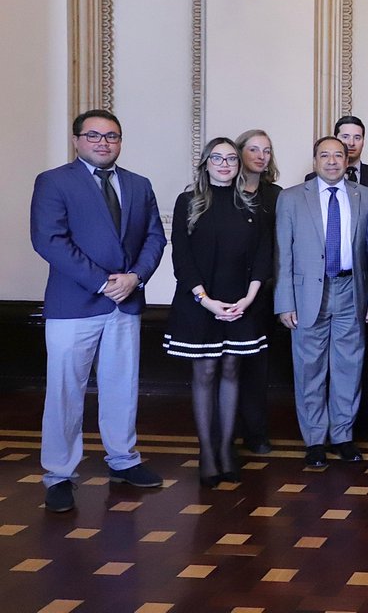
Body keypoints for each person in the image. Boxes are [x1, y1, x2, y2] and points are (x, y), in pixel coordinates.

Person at [31, 109, 167, 513]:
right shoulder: (54, 181)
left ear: (121, 141)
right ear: (76, 140)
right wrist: (103, 281)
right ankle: (59, 474)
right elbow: (49, 240)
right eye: (93, 135)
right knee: (65, 393)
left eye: (111, 136)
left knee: (122, 387)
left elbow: (156, 237)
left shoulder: (138, 185)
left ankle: (124, 460)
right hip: (74, 304)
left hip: (125, 303)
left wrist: (135, 277)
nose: (103, 142)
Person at [163, 138, 271, 486]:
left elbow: (263, 256)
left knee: (231, 368)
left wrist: (249, 298)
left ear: (239, 164)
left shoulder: (252, 205)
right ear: (205, 163)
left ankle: (226, 449)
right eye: (217, 158)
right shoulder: (188, 202)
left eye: (230, 158)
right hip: (200, 303)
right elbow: (182, 257)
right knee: (206, 371)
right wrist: (206, 300)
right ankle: (207, 452)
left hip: (242, 304)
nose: (224, 164)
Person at [276, 137, 368, 468]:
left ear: (348, 160)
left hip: (352, 289)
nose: (333, 161)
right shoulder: (291, 198)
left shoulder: (366, 197)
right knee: (309, 369)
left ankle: (343, 436)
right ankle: (315, 440)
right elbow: (283, 254)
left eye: (339, 155)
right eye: (325, 155)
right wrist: (284, 301)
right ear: (315, 160)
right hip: (308, 295)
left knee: (349, 366)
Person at [234, 128, 282, 455]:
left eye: (266, 150)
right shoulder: (220, 192)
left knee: (257, 367)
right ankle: (225, 432)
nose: (261, 156)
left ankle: (255, 431)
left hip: (263, 293)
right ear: (239, 154)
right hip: (225, 292)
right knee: (225, 366)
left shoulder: (276, 195)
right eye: (254, 149)